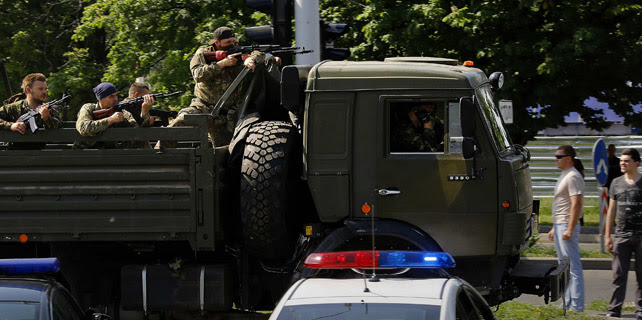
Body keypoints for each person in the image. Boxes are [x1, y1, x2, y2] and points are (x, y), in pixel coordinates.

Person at [158, 26, 274, 148]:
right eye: (228, 42)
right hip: (202, 107)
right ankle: (155, 158)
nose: (232, 45)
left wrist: (251, 59)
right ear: (217, 43)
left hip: (225, 115)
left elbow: (259, 53)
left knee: (227, 152)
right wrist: (222, 64)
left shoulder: (239, 53)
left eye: (234, 41)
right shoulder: (203, 53)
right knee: (175, 126)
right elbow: (198, 75)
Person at [604, 148, 642, 319]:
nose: (622, 163)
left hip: (641, 237)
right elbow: (611, 211)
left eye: (626, 161)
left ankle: (640, 310)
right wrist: (607, 236)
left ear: (636, 163)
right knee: (618, 275)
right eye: (621, 160)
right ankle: (614, 310)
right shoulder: (616, 183)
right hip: (621, 236)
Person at [547, 145, 585, 312]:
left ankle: (576, 307)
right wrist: (555, 227)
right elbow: (562, 204)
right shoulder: (565, 175)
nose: (556, 159)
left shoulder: (573, 176)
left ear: (568, 158)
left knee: (573, 268)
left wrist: (569, 228)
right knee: (564, 268)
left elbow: (576, 204)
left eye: (559, 156)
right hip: (560, 225)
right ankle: (568, 303)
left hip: (567, 226)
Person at [75, 82, 153, 148]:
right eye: (111, 96)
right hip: (84, 154)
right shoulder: (88, 108)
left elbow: (139, 130)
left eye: (116, 95)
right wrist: (110, 120)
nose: (116, 99)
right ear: (101, 99)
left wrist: (145, 110)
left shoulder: (120, 110)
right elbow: (83, 127)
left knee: (142, 141)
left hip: (110, 155)